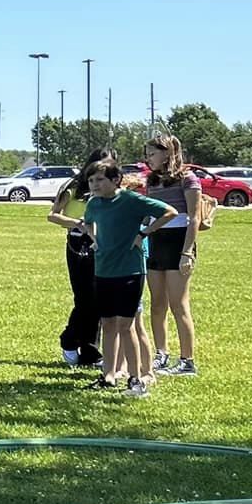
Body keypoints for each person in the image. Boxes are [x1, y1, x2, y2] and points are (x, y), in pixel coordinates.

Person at [51, 162, 170, 395]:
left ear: (116, 180)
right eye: (92, 180)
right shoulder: (94, 203)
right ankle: (108, 377)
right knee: (107, 324)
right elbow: (88, 223)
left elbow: (169, 212)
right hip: (103, 270)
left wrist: (143, 234)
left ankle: (136, 380)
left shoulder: (131, 200)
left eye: (99, 180)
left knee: (127, 326)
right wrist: (96, 240)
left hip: (130, 271)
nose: (94, 184)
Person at [140, 134, 203, 377]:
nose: (148, 159)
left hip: (179, 243)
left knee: (179, 304)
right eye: (147, 154)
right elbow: (148, 214)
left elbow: (194, 218)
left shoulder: (188, 178)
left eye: (152, 153)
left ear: (167, 153)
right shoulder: (152, 180)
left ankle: (187, 362)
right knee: (157, 304)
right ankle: (161, 354)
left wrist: (187, 252)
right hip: (156, 242)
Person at [49, 149, 112, 367]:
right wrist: (77, 223)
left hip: (103, 242)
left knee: (99, 299)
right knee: (84, 298)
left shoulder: (110, 188)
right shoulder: (73, 187)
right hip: (79, 243)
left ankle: (90, 351)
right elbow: (53, 215)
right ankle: (69, 339)